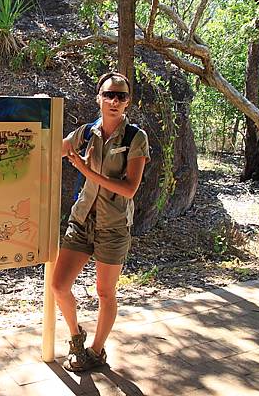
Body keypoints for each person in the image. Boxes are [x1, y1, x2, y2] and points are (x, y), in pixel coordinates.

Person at [52, 72, 150, 372]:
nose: (114, 101)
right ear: (99, 97)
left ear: (128, 101)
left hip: (114, 227)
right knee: (58, 286)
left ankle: (96, 351)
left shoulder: (136, 137)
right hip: (82, 221)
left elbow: (129, 188)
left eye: (120, 96)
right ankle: (76, 337)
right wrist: (41, 114)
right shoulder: (86, 132)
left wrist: (85, 169)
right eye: (108, 94)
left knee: (106, 293)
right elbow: (56, 148)